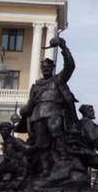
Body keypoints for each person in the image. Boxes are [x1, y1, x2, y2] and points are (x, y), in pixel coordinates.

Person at [17, 36, 78, 177]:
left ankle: (63, 157)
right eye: (43, 67)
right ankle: (45, 169)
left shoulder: (58, 79)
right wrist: (26, 113)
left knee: (55, 128)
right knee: (41, 143)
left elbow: (70, 66)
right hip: (38, 115)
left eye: (48, 67)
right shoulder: (36, 86)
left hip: (54, 111)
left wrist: (63, 47)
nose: (45, 69)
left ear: (52, 68)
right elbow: (30, 104)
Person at [71, 104, 98, 190]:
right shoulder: (87, 122)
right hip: (84, 152)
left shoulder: (81, 122)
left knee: (84, 174)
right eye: (91, 110)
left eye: (93, 110)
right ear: (86, 112)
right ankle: (97, 187)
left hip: (80, 152)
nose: (93, 112)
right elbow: (94, 139)